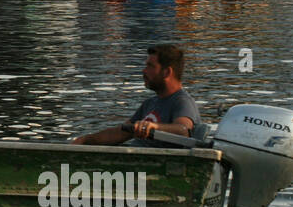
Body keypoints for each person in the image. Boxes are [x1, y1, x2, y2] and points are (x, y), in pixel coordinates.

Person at [72, 44, 201, 145]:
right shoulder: (149, 103)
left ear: (166, 72)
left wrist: (154, 127)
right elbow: (121, 133)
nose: (144, 71)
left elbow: (184, 131)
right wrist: (86, 140)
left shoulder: (182, 102)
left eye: (150, 66)